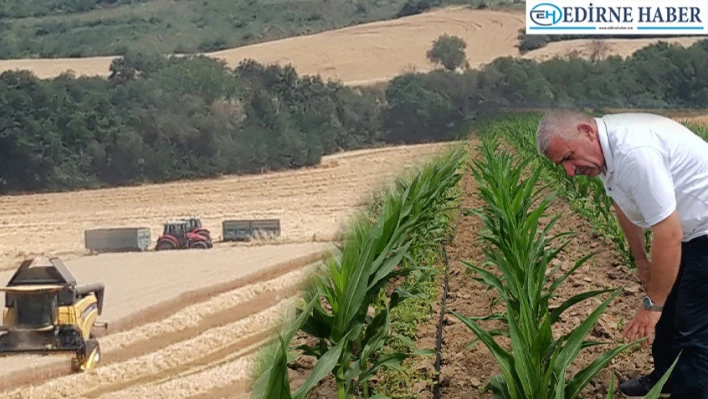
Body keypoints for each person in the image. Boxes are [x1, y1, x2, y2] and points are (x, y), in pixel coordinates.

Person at [535, 109, 708, 399]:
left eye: (567, 157)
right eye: (561, 164)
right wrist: (642, 262)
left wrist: (650, 306)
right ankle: (666, 378)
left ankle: (693, 392)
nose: (569, 170)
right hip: (689, 229)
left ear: (586, 132)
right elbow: (622, 205)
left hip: (701, 230)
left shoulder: (633, 152)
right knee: (667, 309)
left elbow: (669, 234)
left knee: (694, 325)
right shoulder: (605, 153)